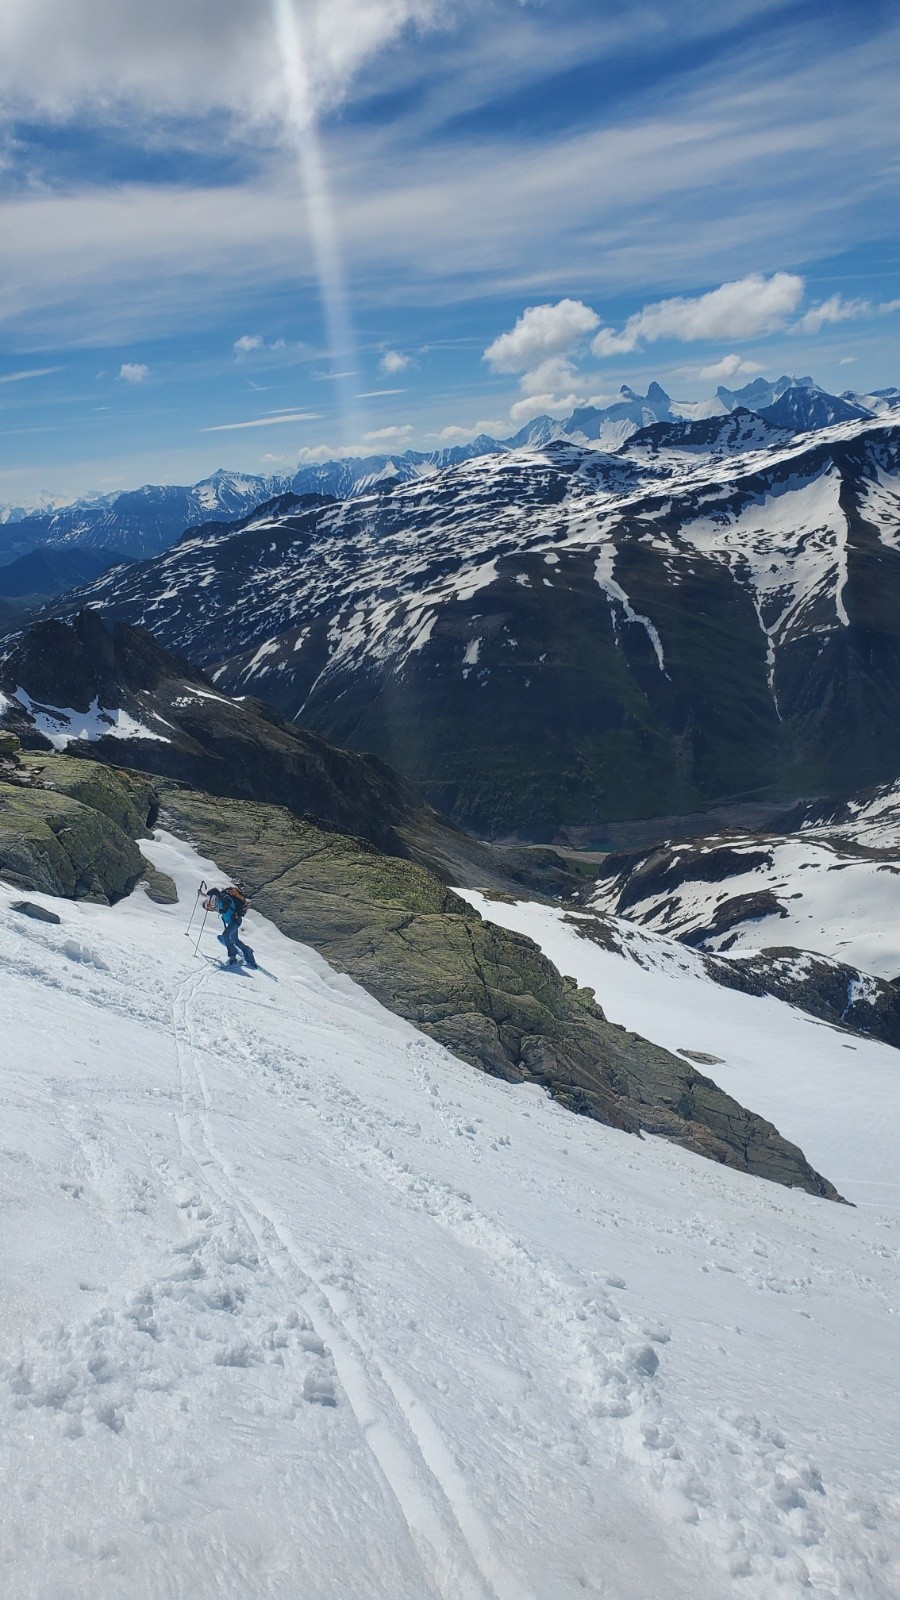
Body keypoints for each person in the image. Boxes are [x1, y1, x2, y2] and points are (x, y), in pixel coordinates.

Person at [203, 886, 257, 968]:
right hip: (232, 921)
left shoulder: (226, 898)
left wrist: (213, 909)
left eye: (210, 897)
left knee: (225, 935)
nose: (210, 899)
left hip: (235, 921)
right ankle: (247, 950)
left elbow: (224, 910)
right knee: (235, 940)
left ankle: (232, 957)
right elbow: (222, 908)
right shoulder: (219, 899)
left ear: (214, 896)